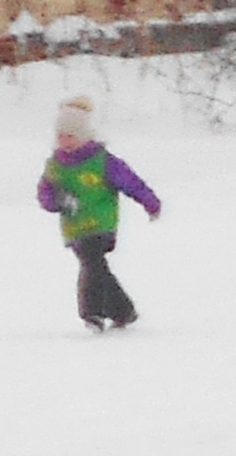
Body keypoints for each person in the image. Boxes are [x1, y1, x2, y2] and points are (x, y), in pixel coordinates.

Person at [33, 94, 160, 330]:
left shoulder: (102, 161)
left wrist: (149, 201)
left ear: (84, 135)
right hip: (74, 226)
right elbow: (44, 193)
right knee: (96, 266)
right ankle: (123, 311)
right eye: (60, 136)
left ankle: (91, 312)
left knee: (92, 263)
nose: (65, 141)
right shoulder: (55, 166)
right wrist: (57, 201)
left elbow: (130, 182)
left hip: (101, 223)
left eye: (71, 136)